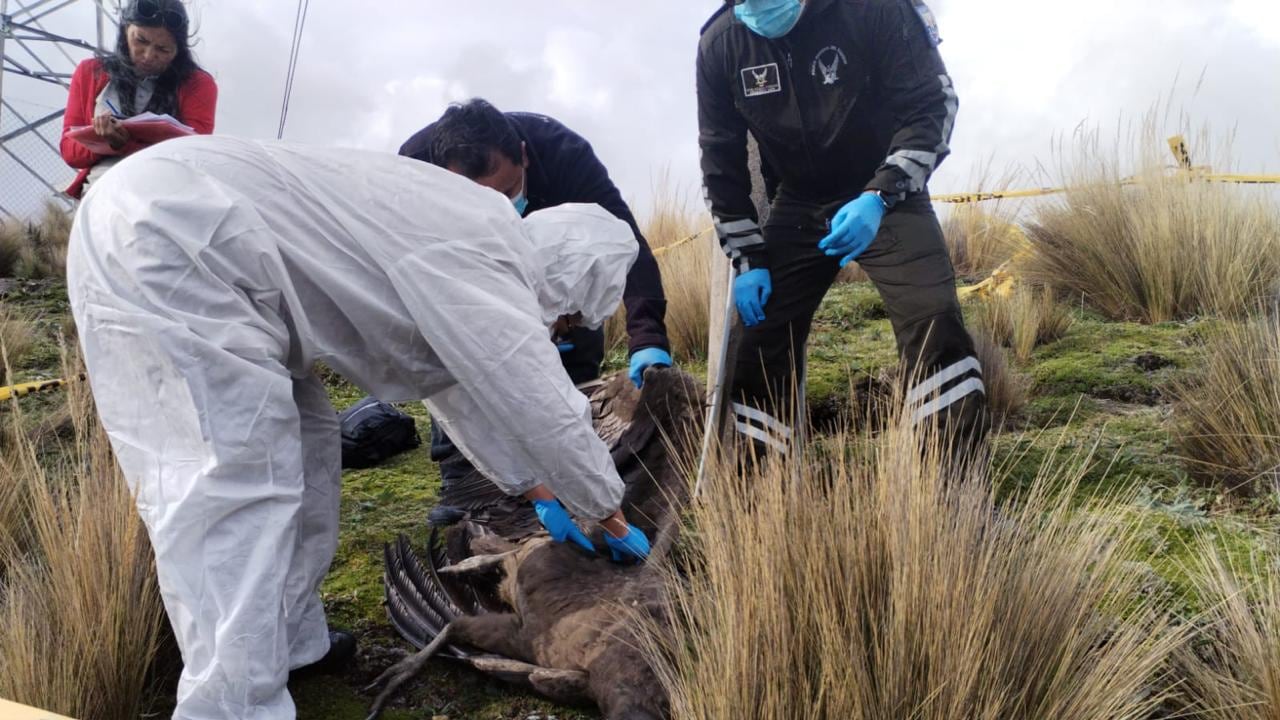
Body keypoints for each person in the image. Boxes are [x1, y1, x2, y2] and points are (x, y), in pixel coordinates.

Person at [67, 135, 652, 720]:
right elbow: (546, 409)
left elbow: (456, 392)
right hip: (180, 237)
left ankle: (291, 643)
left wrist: (536, 491)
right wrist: (608, 512)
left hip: (206, 239)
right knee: (235, 483)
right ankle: (231, 706)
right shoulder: (494, 263)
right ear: (568, 278)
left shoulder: (481, 239)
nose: (562, 328)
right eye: (570, 316)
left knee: (308, 449)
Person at [697, 0, 987, 455]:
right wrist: (749, 257)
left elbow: (931, 104)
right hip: (798, 200)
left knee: (933, 318)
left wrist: (880, 194)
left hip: (885, 193)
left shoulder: (874, 8)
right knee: (761, 338)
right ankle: (760, 487)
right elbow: (720, 161)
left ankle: (952, 482)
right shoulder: (721, 44)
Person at [399, 99, 672, 518]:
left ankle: (569, 469)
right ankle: (463, 480)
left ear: (524, 156)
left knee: (574, 363)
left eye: (508, 192)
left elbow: (625, 240)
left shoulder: (565, 154)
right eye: (481, 199)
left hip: (558, 274)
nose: (500, 209)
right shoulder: (415, 168)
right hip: (465, 276)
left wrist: (647, 335)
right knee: (455, 357)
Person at [59, 0, 216, 199]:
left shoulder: (197, 84)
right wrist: (105, 140)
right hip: (103, 189)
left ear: (178, 51)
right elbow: (69, 151)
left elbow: (195, 154)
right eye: (140, 40)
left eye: (163, 50)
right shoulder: (91, 72)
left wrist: (125, 144)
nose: (148, 55)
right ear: (125, 30)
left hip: (169, 190)